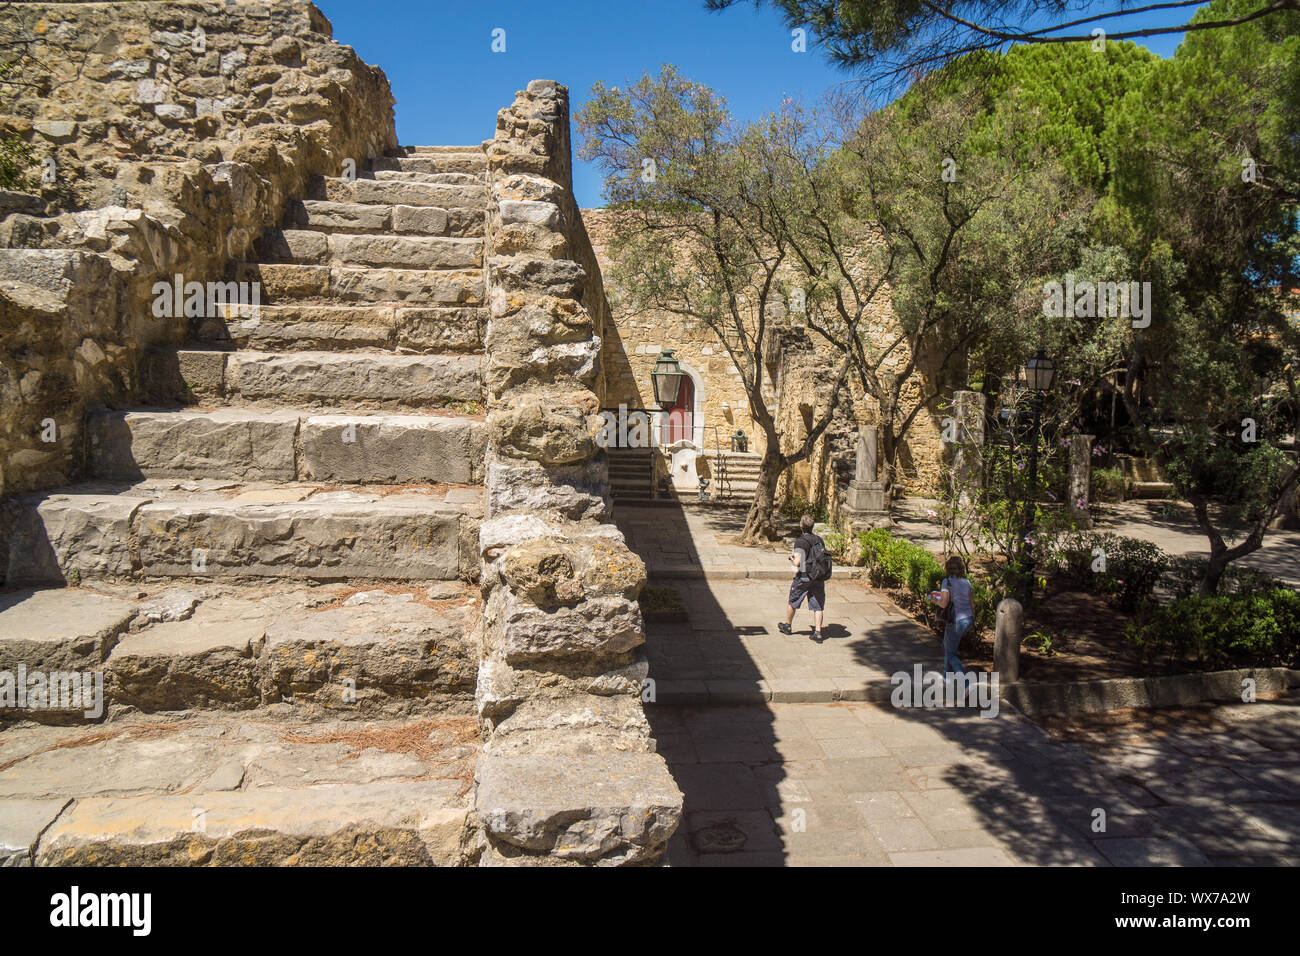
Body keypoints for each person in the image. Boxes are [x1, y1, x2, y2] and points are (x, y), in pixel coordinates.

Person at [777, 514, 827, 642]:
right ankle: (818, 632)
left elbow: (798, 562)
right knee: (818, 605)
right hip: (817, 577)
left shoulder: (801, 541)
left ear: (801, 526)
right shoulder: (819, 540)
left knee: (793, 600)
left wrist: (792, 558)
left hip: (804, 576)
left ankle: (787, 626)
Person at [928, 556, 974, 674]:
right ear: (962, 568)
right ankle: (946, 676)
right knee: (947, 646)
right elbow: (972, 604)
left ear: (948, 569)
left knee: (951, 654)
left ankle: (966, 683)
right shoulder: (967, 582)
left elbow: (944, 603)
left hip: (955, 621)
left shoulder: (947, 582)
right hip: (968, 619)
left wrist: (933, 600)